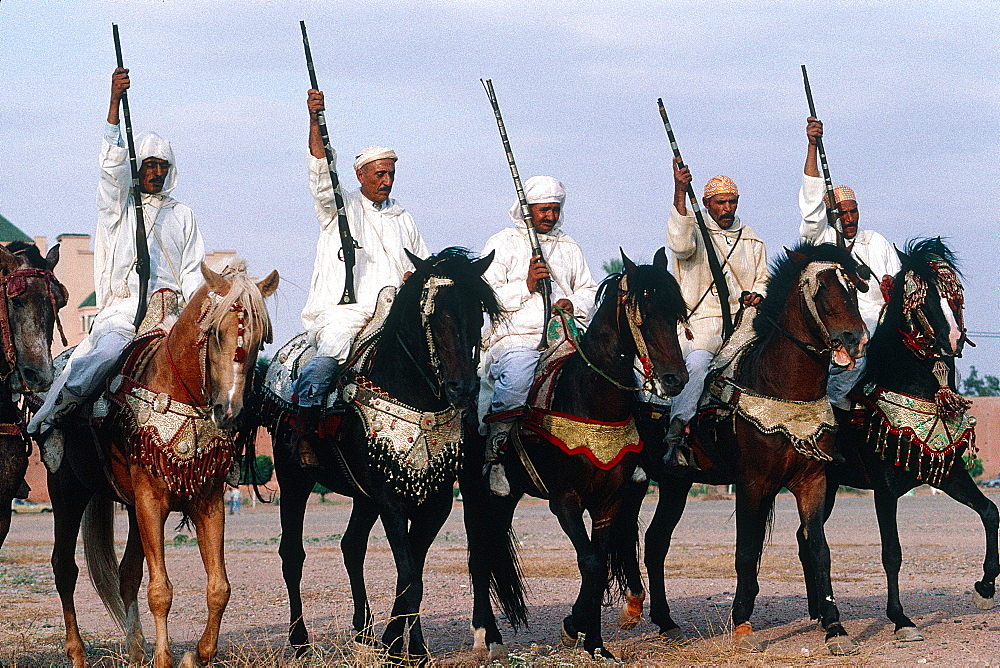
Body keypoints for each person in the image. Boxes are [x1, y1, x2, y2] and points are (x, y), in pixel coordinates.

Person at [28, 68, 205, 471]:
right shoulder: (118, 208)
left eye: (163, 166)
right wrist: (113, 104)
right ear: (137, 169)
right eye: (148, 166)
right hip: (125, 310)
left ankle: (221, 445)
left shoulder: (184, 215)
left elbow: (193, 271)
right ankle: (52, 421)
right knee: (104, 352)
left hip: (171, 314)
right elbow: (110, 171)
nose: (156, 173)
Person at [291, 89, 428, 466]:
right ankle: (305, 429)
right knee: (330, 352)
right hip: (346, 314)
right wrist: (315, 118)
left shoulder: (403, 217)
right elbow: (320, 171)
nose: (386, 180)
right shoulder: (340, 207)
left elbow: (425, 266)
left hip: (395, 315)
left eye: (391, 174)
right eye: (380, 173)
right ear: (360, 175)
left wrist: (414, 279)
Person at [478, 176, 597, 495]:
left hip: (567, 336)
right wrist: (527, 284)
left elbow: (589, 289)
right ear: (527, 209)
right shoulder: (501, 243)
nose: (551, 217)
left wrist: (573, 302)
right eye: (545, 210)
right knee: (516, 382)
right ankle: (496, 455)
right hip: (517, 337)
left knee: (615, 374)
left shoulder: (569, 245)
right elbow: (484, 296)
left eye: (556, 210)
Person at [666, 161, 767, 465]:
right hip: (704, 323)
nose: (727, 208)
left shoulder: (751, 238)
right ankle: (678, 430)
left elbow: (762, 277)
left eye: (732, 201)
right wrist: (680, 191)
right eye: (720, 202)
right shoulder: (694, 230)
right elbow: (681, 246)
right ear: (707, 204)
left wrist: (757, 295)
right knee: (696, 366)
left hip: (745, 325)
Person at [799, 116, 900, 410]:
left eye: (853, 212)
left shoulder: (876, 241)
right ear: (832, 216)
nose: (850, 218)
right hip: (840, 324)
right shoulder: (825, 239)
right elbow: (810, 207)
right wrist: (811, 146)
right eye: (842, 213)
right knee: (857, 351)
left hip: (881, 323)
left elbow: (896, 283)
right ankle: (829, 407)